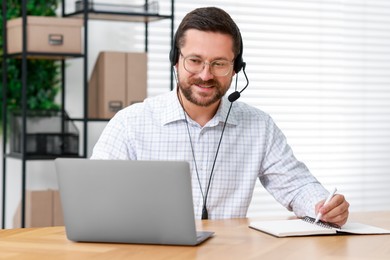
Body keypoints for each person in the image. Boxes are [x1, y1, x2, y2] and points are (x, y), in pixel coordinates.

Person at [91, 6, 349, 226]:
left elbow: (298, 186)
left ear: (236, 68)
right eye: (194, 60)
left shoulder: (259, 126)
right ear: (175, 61)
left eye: (219, 63)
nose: (205, 75)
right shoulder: (129, 124)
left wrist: (322, 206)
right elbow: (95, 201)